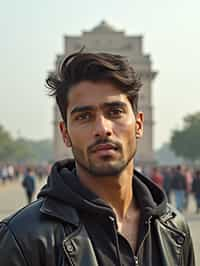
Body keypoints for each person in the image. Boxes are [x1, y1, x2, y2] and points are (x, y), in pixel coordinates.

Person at [0, 52, 195, 265]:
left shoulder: (175, 230)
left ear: (138, 125)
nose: (103, 129)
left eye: (115, 112)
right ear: (65, 133)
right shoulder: (22, 239)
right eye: (84, 117)